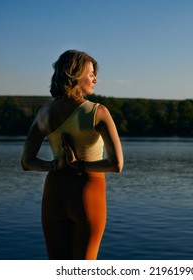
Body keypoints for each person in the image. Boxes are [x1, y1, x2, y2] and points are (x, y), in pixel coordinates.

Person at [21, 50, 123, 260]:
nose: (95, 79)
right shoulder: (98, 112)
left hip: (53, 194)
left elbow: (26, 162)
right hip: (87, 192)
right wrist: (81, 166)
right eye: (91, 74)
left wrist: (53, 166)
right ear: (74, 74)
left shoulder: (44, 113)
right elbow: (116, 164)